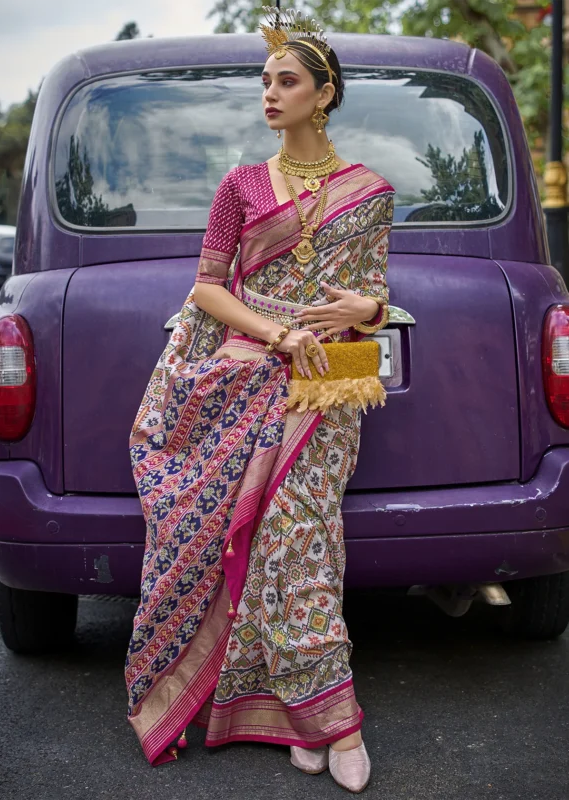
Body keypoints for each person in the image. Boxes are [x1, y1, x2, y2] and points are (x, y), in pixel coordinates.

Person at [125, 6, 395, 793]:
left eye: (286, 81)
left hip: (327, 381)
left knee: (299, 536)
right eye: (265, 81)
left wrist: (366, 312)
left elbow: (375, 292)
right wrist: (277, 334)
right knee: (264, 540)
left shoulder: (369, 192)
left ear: (324, 93)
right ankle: (313, 718)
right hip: (247, 372)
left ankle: (322, 718)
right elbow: (207, 289)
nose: (269, 93)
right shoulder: (239, 185)